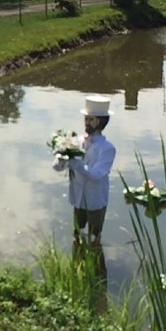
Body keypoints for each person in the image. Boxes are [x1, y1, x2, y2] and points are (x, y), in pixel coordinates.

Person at [53, 95, 116, 242]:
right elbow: (57, 168)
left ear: (99, 122)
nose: (86, 123)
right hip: (78, 196)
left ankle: (94, 259)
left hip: (95, 199)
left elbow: (97, 174)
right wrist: (61, 157)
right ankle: (78, 259)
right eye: (86, 119)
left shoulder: (107, 149)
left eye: (90, 119)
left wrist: (77, 164)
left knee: (95, 236)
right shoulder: (76, 142)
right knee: (77, 231)